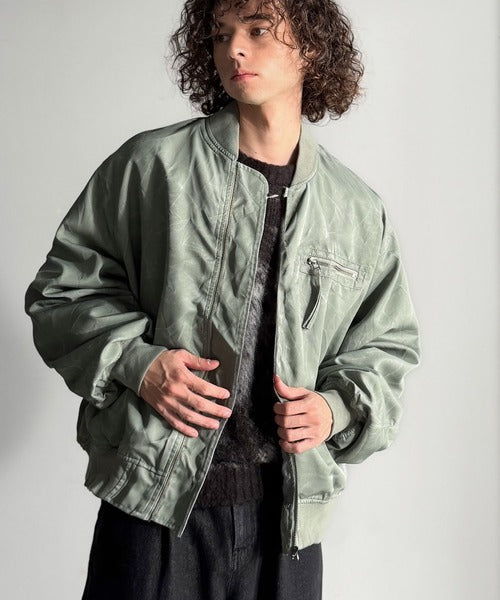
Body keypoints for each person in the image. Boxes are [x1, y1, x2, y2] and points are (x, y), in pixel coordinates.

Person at [25, 0, 420, 598]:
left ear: (311, 47)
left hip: (286, 524)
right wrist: (138, 363)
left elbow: (386, 348)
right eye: (220, 34)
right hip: (155, 506)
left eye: (258, 31)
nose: (234, 48)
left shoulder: (357, 211)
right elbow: (63, 291)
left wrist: (334, 410)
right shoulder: (153, 166)